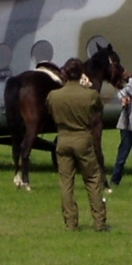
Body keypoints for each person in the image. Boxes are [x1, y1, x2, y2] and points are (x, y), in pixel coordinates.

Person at [45, 58, 108, 232]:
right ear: (82, 74)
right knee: (92, 180)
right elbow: (98, 110)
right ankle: (99, 222)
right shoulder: (90, 95)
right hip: (83, 138)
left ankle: (71, 223)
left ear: (64, 73)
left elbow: (50, 111)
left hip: (63, 139)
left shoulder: (54, 96)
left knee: (66, 183)